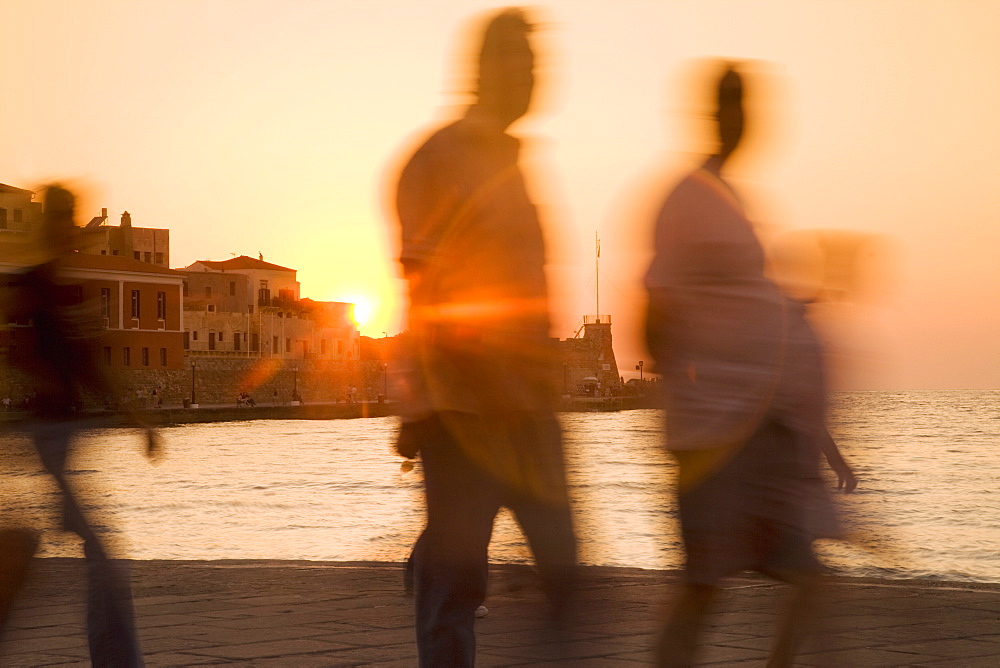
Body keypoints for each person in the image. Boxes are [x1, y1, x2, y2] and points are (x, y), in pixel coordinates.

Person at [644, 63, 856, 667]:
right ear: (714, 114)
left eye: (748, 107)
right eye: (732, 106)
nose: (742, 120)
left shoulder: (734, 202)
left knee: (800, 580)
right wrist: (690, 405)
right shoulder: (686, 199)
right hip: (712, 441)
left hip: (757, 440)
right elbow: (656, 317)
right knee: (701, 590)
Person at [390, 9, 577, 666]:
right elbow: (427, 287)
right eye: (522, 62)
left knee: (567, 577)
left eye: (537, 62)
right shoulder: (438, 159)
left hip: (529, 409)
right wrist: (434, 398)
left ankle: (436, 546)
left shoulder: (515, 162)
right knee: (456, 594)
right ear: (485, 67)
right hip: (469, 412)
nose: (534, 76)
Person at [0, 185, 160, 665]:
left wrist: (137, 420)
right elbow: (68, 359)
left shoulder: (59, 285)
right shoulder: (34, 284)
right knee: (103, 562)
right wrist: (139, 421)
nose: (64, 224)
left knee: (28, 556)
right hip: (47, 441)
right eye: (59, 215)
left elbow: (88, 361)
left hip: (59, 440)